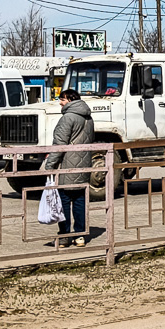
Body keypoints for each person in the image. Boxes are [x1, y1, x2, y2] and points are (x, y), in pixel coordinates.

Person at [45, 89, 95, 247]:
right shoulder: (88, 118)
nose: (60, 102)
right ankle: (80, 236)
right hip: (84, 164)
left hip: (67, 165)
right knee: (80, 200)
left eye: (63, 99)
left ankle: (65, 236)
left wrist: (49, 165)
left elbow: (59, 144)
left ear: (71, 100)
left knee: (64, 201)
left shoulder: (67, 118)